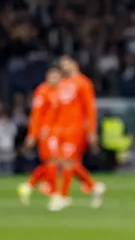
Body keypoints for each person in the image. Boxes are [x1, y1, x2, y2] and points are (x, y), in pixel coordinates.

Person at [49, 56, 105, 211]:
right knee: (66, 162)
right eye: (62, 65)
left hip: (76, 128)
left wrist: (92, 131)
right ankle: (94, 186)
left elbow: (90, 108)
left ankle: (63, 196)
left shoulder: (83, 83)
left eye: (66, 63)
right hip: (61, 129)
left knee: (67, 161)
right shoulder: (63, 84)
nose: (64, 67)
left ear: (75, 63)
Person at [18, 66, 62, 205]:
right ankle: (53, 192)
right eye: (51, 76)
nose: (54, 79)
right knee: (53, 161)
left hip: (57, 131)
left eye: (56, 77)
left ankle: (30, 186)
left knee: (51, 162)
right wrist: (33, 134)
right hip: (46, 132)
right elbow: (36, 115)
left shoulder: (60, 91)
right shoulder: (43, 91)